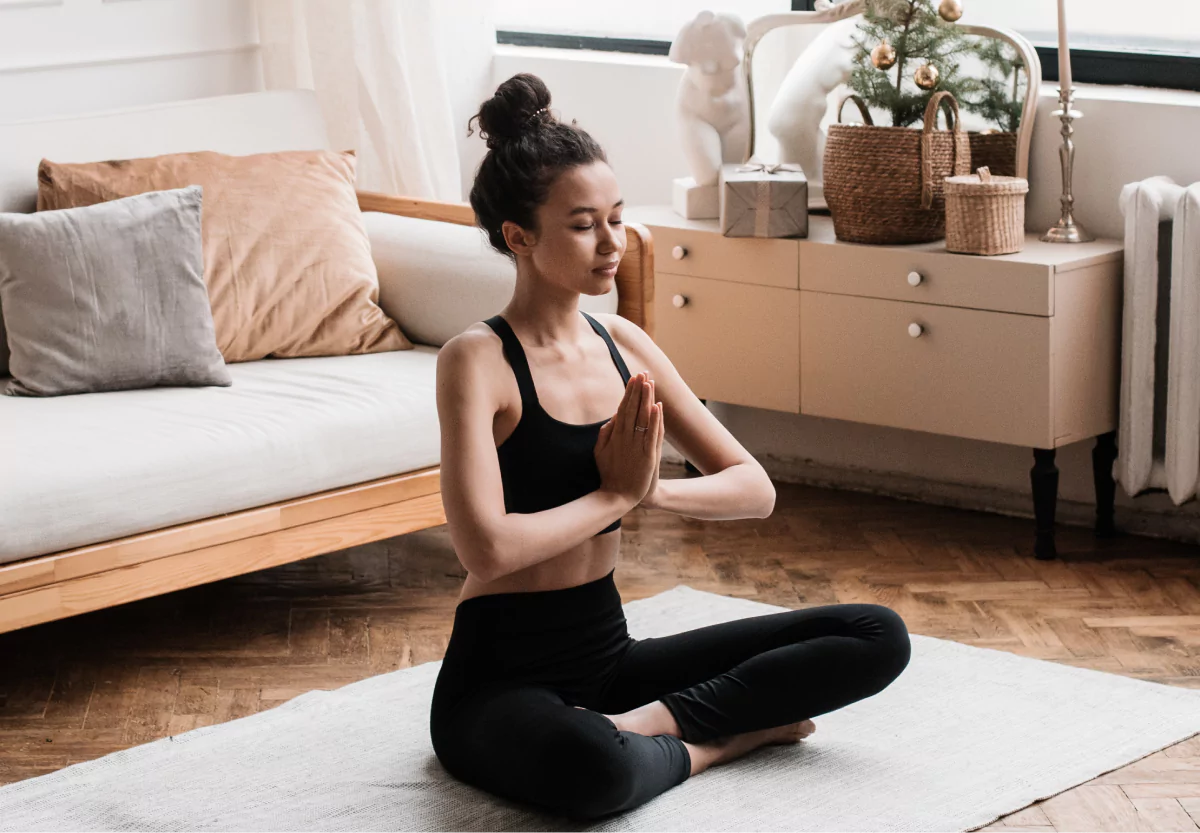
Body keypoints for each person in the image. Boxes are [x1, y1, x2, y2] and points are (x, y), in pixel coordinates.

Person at [429, 72, 912, 823]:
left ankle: (647, 726)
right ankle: (718, 739)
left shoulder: (625, 344)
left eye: (617, 217)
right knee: (592, 772)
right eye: (585, 224)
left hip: (607, 656)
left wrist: (652, 491)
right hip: (497, 681)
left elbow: (755, 489)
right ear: (519, 237)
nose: (613, 242)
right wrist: (614, 497)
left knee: (876, 634)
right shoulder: (476, 360)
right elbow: (485, 548)